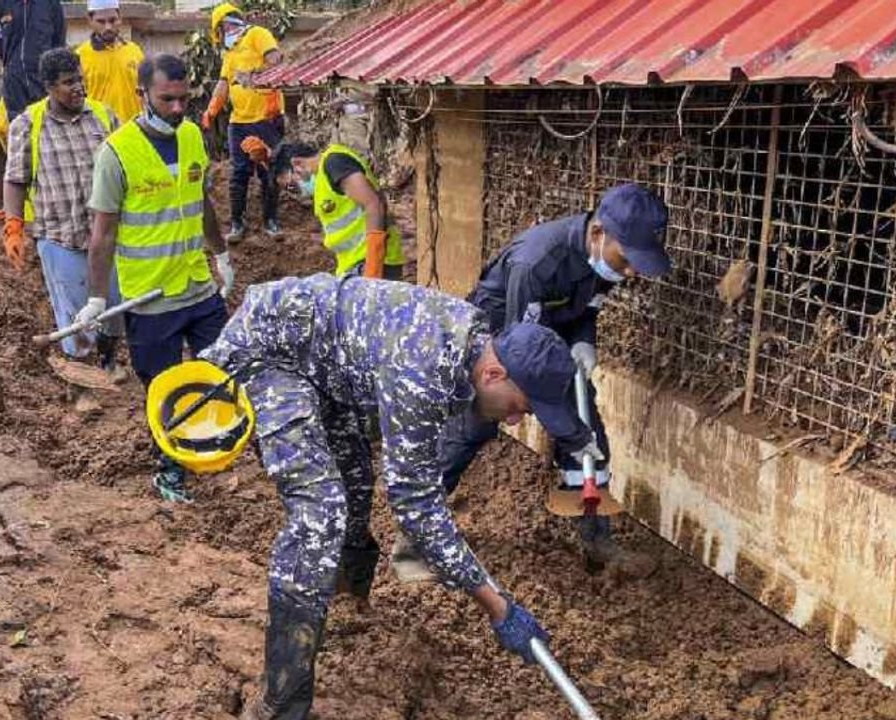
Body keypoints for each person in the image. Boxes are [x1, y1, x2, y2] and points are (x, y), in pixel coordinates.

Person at [199, 274, 597, 720]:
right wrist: (498, 606)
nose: (513, 420)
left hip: (324, 365)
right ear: (494, 373)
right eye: (521, 406)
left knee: (354, 479)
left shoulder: (471, 346)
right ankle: (280, 703)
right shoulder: (424, 368)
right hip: (269, 353)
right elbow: (416, 504)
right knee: (320, 511)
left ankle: (347, 604)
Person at [391, 183, 671, 582]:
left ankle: (597, 541)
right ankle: (412, 542)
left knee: (588, 433)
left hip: (549, 345)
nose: (628, 272)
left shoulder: (602, 261)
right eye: (626, 260)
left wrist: (583, 342)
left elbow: (586, 310)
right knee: (467, 433)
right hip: (498, 344)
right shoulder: (537, 262)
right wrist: (561, 424)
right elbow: (518, 353)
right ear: (598, 234)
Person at [77, 53, 236, 503]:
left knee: (218, 373)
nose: (178, 108)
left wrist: (220, 253)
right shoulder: (116, 154)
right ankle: (170, 471)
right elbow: (102, 234)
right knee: (164, 391)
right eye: (167, 99)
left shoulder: (191, 137)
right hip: (150, 300)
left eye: (185, 99)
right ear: (142, 94)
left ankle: (211, 447)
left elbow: (200, 202)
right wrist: (95, 298)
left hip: (198, 287)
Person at [2, 48, 124, 373]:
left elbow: (127, 168)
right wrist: (13, 227)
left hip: (106, 234)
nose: (79, 88)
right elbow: (15, 180)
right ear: (49, 86)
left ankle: (109, 360)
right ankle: (81, 379)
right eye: (68, 83)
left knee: (113, 306)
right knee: (74, 314)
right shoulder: (27, 125)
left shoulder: (104, 116)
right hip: (58, 236)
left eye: (80, 79)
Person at [201, 3, 284, 240]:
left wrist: (255, 74)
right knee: (239, 173)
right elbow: (224, 83)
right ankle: (237, 224)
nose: (223, 35)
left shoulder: (258, 34)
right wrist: (211, 110)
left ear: (230, 23)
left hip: (266, 119)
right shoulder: (231, 53)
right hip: (239, 122)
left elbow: (276, 60)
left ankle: (271, 222)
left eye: (223, 29)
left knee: (269, 170)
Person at [266, 140, 405, 279]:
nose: (297, 192)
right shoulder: (323, 181)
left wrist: (373, 267)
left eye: (292, 186)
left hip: (374, 263)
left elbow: (373, 204)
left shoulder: (334, 163)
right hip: (353, 266)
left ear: (298, 164)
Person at [0, 0, 65, 120]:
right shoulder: (0, 3)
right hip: (15, 83)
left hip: (43, 81)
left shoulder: (51, 3)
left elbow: (59, 40)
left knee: (47, 126)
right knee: (19, 129)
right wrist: (14, 65)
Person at [76, 0, 145, 124]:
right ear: (90, 21)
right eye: (101, 22)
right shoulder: (80, 56)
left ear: (120, 19)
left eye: (113, 20)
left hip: (134, 129)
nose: (108, 27)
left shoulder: (135, 51)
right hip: (99, 132)